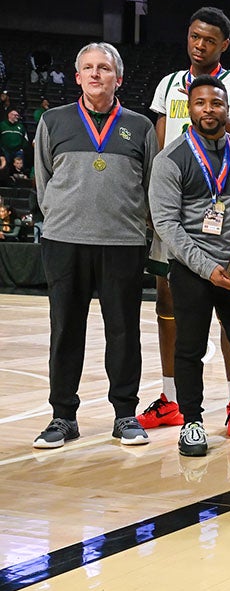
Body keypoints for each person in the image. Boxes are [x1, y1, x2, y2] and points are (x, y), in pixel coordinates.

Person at [142, 7, 230, 436]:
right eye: (194, 37)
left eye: (209, 40)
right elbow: (161, 146)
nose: (199, 45)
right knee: (174, 314)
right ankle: (178, 406)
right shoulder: (167, 88)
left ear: (224, 45)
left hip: (229, 238)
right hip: (182, 219)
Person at [30, 43, 157, 450]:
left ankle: (124, 415)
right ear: (77, 75)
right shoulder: (53, 121)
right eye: (88, 68)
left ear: (118, 78)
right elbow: (42, 180)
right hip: (64, 241)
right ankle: (63, 416)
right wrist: (61, 217)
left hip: (122, 242)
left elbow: (150, 185)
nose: (96, 74)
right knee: (65, 330)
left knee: (124, 331)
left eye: (104, 68)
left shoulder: (140, 127)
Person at [148, 75, 230, 457]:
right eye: (201, 103)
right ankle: (191, 423)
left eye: (216, 103)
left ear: (226, 108)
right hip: (193, 270)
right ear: (189, 109)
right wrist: (208, 269)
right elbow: (167, 225)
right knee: (190, 348)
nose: (209, 110)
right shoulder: (170, 159)